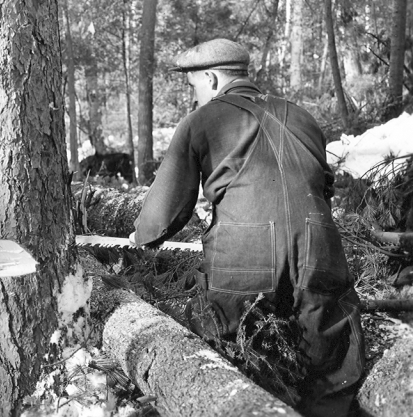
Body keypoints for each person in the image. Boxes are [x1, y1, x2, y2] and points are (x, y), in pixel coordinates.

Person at [128, 39, 364, 417]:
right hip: (319, 251)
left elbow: (165, 213)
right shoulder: (300, 115)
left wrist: (139, 236)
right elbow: (323, 185)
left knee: (241, 358)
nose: (194, 98)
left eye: (194, 87)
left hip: (244, 261)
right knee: (331, 367)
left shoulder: (200, 121)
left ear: (211, 77)